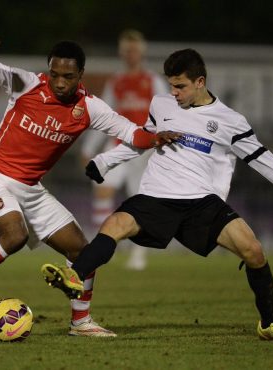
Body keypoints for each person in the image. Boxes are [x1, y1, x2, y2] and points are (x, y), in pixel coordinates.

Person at [42, 48, 273, 342]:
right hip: (156, 195)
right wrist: (104, 161)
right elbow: (143, 139)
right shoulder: (162, 104)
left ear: (200, 81)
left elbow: (268, 165)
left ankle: (268, 324)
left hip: (202, 203)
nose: (174, 93)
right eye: (171, 85)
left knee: (254, 251)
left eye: (180, 86)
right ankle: (75, 276)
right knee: (113, 225)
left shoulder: (231, 121)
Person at [0, 33, 178, 337]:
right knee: (14, 235)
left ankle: (80, 323)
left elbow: (132, 132)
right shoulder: (27, 84)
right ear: (49, 70)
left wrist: (156, 137)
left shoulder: (90, 107)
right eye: (55, 74)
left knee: (82, 251)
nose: (59, 82)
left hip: (30, 188)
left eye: (68, 76)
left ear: (80, 76)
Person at [80, 29, 168, 270]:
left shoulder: (153, 81)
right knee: (102, 188)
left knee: (139, 202)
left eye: (134, 50)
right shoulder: (116, 82)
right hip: (117, 145)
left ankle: (138, 254)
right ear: (121, 53)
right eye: (127, 50)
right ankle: (103, 249)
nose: (131, 54)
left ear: (141, 52)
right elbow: (103, 117)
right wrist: (89, 149)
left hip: (144, 151)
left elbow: (166, 115)